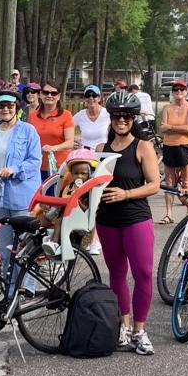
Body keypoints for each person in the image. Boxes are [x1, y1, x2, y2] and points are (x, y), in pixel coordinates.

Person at [94, 90, 161, 355]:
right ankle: (123, 324)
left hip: (136, 218)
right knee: (117, 273)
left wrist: (126, 194)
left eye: (127, 116)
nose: (121, 121)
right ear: (110, 119)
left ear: (134, 119)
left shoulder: (143, 147)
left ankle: (139, 330)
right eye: (117, 116)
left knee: (143, 274)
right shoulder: (101, 149)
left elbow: (155, 185)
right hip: (107, 219)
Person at [0, 90, 41, 271]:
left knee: (24, 247)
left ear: (16, 108)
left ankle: (25, 290)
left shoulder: (28, 130)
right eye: (1, 105)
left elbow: (35, 161)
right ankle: (8, 290)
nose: (6, 109)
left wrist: (14, 170)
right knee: (4, 247)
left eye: (10, 105)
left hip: (21, 196)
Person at [38, 149, 97, 259]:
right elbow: (61, 199)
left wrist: (77, 199)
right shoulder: (69, 187)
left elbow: (88, 208)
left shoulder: (89, 191)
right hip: (62, 213)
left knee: (60, 221)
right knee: (42, 219)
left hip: (78, 218)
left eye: (83, 173)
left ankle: (54, 243)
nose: (79, 176)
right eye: (75, 173)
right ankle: (25, 241)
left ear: (90, 173)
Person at [72, 84, 109, 255]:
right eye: (88, 96)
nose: (91, 99)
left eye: (94, 96)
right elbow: (67, 129)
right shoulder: (80, 116)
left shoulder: (107, 114)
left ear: (100, 98)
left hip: (103, 159)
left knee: (99, 198)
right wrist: (72, 142)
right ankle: (82, 234)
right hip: (85, 161)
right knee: (84, 197)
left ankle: (96, 239)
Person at [159, 80, 188, 224]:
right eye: (176, 89)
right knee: (169, 181)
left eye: (182, 89)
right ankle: (168, 213)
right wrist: (174, 127)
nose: (179, 92)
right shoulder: (167, 108)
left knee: (186, 181)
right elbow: (161, 128)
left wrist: (170, 127)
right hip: (169, 145)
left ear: (186, 91)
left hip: (186, 146)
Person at [28, 81, 74, 180]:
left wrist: (54, 148)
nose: (49, 95)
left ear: (58, 96)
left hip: (59, 167)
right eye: (46, 92)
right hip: (36, 166)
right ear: (40, 94)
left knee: (55, 195)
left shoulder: (66, 115)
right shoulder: (32, 116)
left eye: (53, 93)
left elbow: (70, 143)